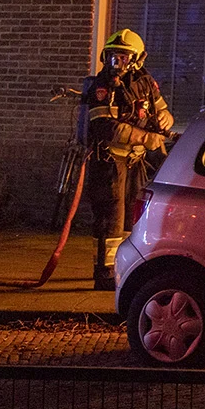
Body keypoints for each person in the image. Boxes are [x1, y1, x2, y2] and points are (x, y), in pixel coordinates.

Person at [78, 29, 174, 291]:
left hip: (136, 162)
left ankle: (126, 267)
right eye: (112, 57)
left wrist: (166, 119)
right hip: (110, 163)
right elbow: (104, 126)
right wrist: (146, 138)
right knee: (111, 218)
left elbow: (162, 110)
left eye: (122, 57)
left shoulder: (146, 82)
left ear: (137, 59)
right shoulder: (103, 86)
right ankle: (105, 273)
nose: (116, 63)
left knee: (135, 215)